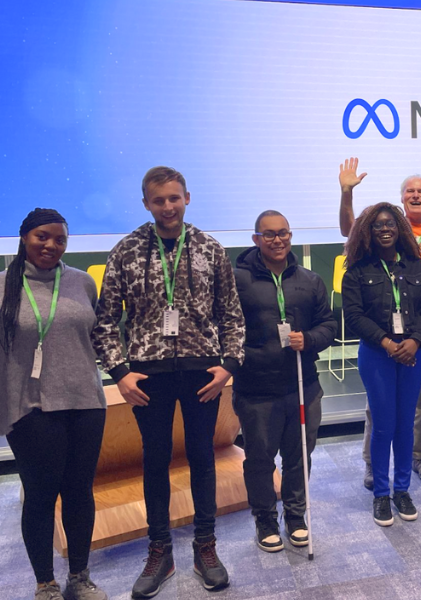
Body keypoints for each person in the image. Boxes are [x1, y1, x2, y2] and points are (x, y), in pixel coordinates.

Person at [92, 167, 245, 597]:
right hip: (147, 377)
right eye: (158, 200)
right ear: (146, 203)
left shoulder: (210, 248)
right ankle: (159, 551)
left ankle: (205, 547)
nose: (168, 206)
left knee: (201, 457)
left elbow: (231, 313)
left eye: (174, 198)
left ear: (187, 198)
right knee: (155, 460)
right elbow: (105, 322)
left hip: (203, 373)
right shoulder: (125, 251)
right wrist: (119, 373)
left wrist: (229, 365)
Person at [1, 209, 108, 600]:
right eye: (42, 237)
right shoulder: (2, 287)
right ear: (25, 237)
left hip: (85, 402)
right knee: (41, 494)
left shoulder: (81, 283)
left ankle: (79, 577)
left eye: (59, 240)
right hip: (30, 408)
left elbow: (95, 338)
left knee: (80, 491)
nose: (50, 246)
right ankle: (45, 584)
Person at [232, 210, 336, 551]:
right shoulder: (238, 280)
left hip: (303, 386)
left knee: (299, 456)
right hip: (256, 389)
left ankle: (295, 515)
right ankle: (264, 517)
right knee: (260, 458)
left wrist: (310, 339)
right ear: (256, 239)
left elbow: (328, 325)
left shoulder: (309, 279)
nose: (278, 240)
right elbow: (225, 329)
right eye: (270, 234)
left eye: (284, 233)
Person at [339, 158, 421, 487]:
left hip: (420, 336)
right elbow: (348, 229)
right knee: (380, 407)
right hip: (380, 340)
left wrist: (417, 338)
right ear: (402, 199)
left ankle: (419, 456)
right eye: (410, 191)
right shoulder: (378, 232)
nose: (416, 195)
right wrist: (346, 193)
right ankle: (374, 462)